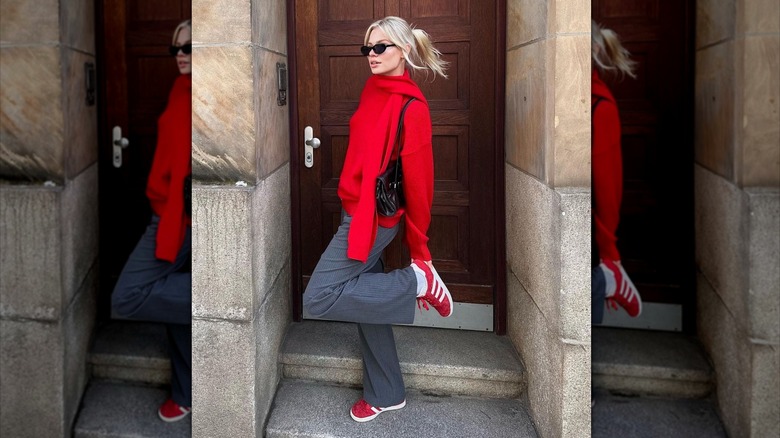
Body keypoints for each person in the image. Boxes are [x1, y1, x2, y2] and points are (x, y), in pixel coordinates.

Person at [302, 16, 452, 423]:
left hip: (374, 223)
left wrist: (421, 255)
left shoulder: (411, 106)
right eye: (367, 48)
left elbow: (420, 187)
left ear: (403, 50)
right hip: (356, 211)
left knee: (318, 297)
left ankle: (418, 281)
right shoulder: (373, 90)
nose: (371, 55)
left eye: (380, 47)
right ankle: (387, 392)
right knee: (368, 300)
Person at [111, 19, 192, 422]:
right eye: (175, 48)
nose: (180, 55)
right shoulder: (180, 89)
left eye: (189, 47)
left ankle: (227, 299)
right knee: (173, 305)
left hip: (180, 219)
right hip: (164, 211)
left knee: (128, 295)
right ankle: (185, 390)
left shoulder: (205, 93)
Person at [591, 20, 642, 323]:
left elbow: (607, 186)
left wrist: (609, 252)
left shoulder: (601, 106)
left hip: (592, 246)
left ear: (593, 51)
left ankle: (613, 277)